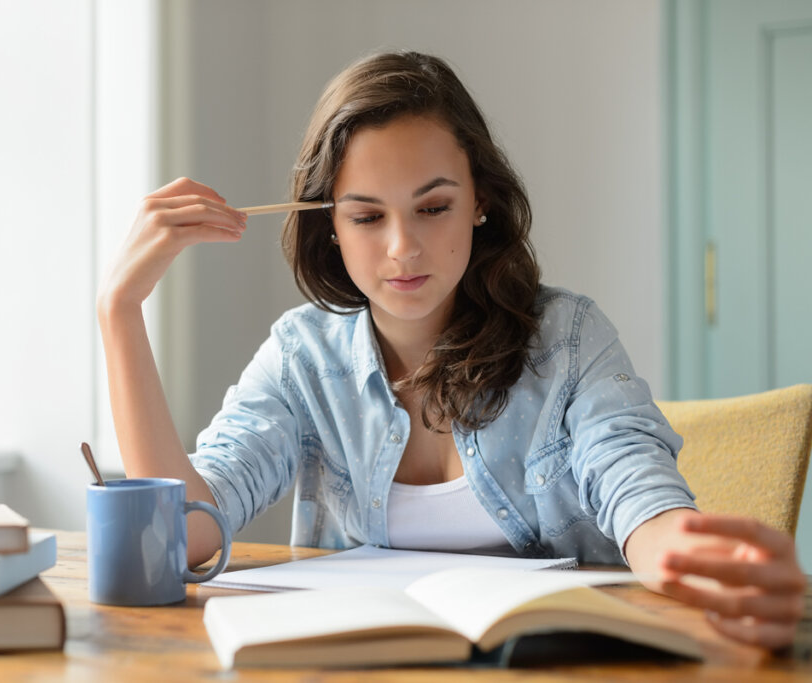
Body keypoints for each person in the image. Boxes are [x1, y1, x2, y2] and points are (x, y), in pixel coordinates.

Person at [96, 51, 804, 649]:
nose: (402, 248)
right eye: (367, 216)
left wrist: (679, 547)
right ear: (330, 227)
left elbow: (636, 488)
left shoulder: (569, 339)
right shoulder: (302, 357)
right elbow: (181, 538)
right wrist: (119, 312)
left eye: (433, 207)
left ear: (480, 201)